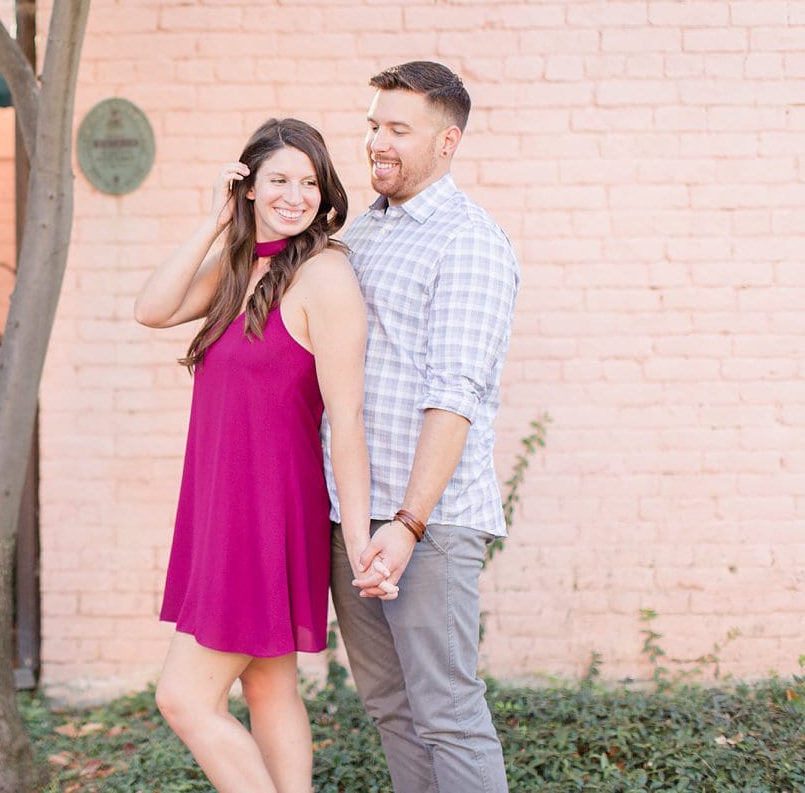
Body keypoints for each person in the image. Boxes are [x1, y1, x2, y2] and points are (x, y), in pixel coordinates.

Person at [135, 118, 377, 793]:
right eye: (278, 179)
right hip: (221, 509)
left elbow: (347, 416)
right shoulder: (240, 266)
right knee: (267, 687)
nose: (295, 194)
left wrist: (358, 538)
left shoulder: (325, 275)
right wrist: (216, 222)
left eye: (308, 181)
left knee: (183, 698)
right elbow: (150, 309)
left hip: (264, 517)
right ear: (248, 187)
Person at [327, 61, 521, 793]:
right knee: (389, 708)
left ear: (446, 142)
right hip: (352, 516)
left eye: (396, 129)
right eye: (374, 124)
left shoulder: (466, 240)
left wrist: (406, 523)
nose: (376, 140)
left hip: (426, 524)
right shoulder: (360, 235)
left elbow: (455, 395)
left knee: (446, 712)